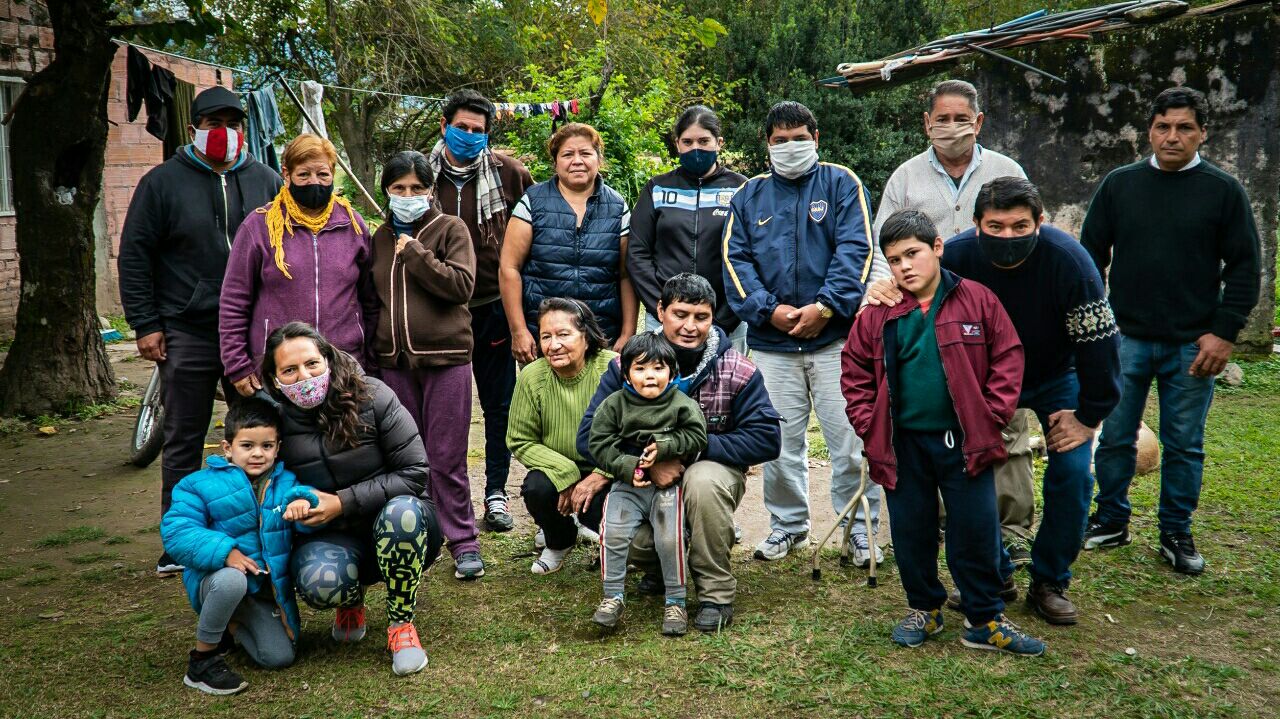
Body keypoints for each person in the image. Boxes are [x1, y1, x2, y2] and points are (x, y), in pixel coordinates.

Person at [866, 177, 1121, 625]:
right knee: (975, 472)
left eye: (1020, 226)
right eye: (996, 227)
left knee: (1074, 472)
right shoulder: (957, 256)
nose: (1007, 237)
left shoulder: (1070, 262)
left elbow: (1099, 343)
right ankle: (994, 571)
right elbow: (910, 295)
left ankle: (1049, 580)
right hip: (980, 379)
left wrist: (1089, 415)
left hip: (1053, 376)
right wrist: (881, 289)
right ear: (976, 225)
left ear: (1041, 222)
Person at [842, 210, 1044, 656]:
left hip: (964, 442)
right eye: (893, 260)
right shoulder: (878, 312)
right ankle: (924, 608)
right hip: (902, 444)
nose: (904, 267)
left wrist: (989, 416)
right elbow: (854, 371)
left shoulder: (977, 300)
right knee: (912, 528)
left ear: (936, 248)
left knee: (974, 529)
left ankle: (985, 619)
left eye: (912, 254)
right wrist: (866, 421)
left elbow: (1008, 358)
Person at [1082, 87, 1262, 575]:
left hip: (1193, 343)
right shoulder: (1120, 185)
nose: (1172, 136)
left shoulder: (1223, 191)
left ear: (1203, 132)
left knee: (1183, 442)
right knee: (1116, 435)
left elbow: (1245, 267)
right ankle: (1111, 519)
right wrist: (1096, 327)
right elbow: (1088, 257)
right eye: (1163, 126)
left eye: (1184, 127)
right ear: (1150, 131)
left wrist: (1223, 333)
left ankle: (1175, 531)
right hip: (1126, 339)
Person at [869, 80, 1036, 565]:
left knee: (1004, 426)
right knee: (936, 416)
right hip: (927, 318)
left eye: (961, 118)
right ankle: (945, 523)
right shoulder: (906, 177)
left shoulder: (1005, 170)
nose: (950, 127)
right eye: (941, 119)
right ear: (926, 123)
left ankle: (1012, 530)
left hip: (992, 313)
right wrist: (878, 294)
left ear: (979, 122)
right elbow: (887, 246)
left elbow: (1025, 235)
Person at [118, 86, 282, 576]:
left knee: (260, 431)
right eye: (213, 123)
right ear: (194, 129)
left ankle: (263, 531)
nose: (224, 133)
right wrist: (146, 324)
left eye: (233, 123)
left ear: (245, 130)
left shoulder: (266, 180)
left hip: (251, 333)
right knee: (184, 436)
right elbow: (135, 255)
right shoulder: (162, 183)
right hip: (187, 329)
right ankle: (180, 540)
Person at [722, 100, 880, 565]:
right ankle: (788, 527)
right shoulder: (749, 195)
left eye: (799, 138)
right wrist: (768, 312)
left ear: (817, 137)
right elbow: (736, 259)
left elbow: (857, 249)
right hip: (772, 344)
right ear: (766, 145)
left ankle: (858, 527)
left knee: (850, 440)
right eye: (780, 140)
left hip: (836, 341)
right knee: (778, 444)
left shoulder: (841, 183)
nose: (791, 147)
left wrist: (827, 307)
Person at [578, 273, 782, 632]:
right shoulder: (625, 367)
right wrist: (642, 464)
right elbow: (588, 437)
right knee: (619, 520)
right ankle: (659, 569)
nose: (690, 326)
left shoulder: (737, 369)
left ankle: (715, 595)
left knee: (701, 482)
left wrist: (688, 454)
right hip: (643, 481)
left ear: (713, 317)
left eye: (701, 317)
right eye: (680, 314)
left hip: (710, 474)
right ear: (660, 311)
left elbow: (767, 438)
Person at [264, 322, 443, 676]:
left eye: (312, 364)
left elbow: (415, 471)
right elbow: (260, 481)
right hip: (331, 535)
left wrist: (341, 501)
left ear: (327, 359)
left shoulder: (373, 395)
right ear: (274, 379)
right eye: (290, 370)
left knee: (402, 514)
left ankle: (401, 625)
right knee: (318, 582)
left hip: (401, 523)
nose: (304, 376)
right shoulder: (272, 421)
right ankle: (350, 602)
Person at [371, 150, 484, 581]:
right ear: (386, 191)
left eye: (417, 188)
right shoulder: (378, 237)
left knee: (446, 455)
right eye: (398, 189)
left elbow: (461, 286)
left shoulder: (449, 229)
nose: (407, 196)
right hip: (394, 364)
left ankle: (463, 541)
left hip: (446, 359)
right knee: (407, 459)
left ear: (430, 190)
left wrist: (416, 253)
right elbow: (370, 299)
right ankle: (419, 537)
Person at [160, 398, 319, 694]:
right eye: (247, 446)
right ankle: (202, 661)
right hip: (218, 579)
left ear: (278, 447)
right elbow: (176, 532)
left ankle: (231, 625)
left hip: (262, 591)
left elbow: (312, 508)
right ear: (228, 447)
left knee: (278, 657)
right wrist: (226, 552)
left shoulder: (287, 482)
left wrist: (305, 503)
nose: (258, 454)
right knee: (232, 581)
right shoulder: (197, 484)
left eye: (267, 446)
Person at [429, 90, 535, 533]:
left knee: (499, 405)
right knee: (442, 408)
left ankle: (495, 491)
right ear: (444, 125)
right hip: (437, 309)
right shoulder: (421, 174)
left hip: (493, 307)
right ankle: (437, 495)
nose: (469, 136)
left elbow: (534, 231)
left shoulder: (508, 174)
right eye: (462, 127)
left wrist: (523, 316)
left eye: (478, 130)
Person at [220, 133, 378, 395]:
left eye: (323, 174)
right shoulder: (260, 227)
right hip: (280, 370)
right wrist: (237, 364)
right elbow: (234, 302)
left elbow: (370, 299)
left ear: (333, 173)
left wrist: (370, 361)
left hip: (343, 366)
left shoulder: (352, 224)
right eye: (304, 175)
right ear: (286, 173)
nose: (314, 182)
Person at [589, 334, 708, 636]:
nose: (650, 376)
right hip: (627, 487)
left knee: (670, 538)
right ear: (626, 373)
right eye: (640, 369)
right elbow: (598, 444)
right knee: (612, 533)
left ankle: (676, 601)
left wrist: (666, 446)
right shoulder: (614, 405)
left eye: (658, 368)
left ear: (672, 372)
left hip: (667, 489)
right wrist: (627, 467)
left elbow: (697, 436)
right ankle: (612, 596)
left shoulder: (682, 404)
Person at [499, 123, 637, 361]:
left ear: (598, 159)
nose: (577, 161)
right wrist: (519, 330)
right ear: (556, 162)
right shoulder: (533, 202)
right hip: (545, 335)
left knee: (601, 398)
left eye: (585, 153)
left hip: (602, 335)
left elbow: (626, 274)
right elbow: (509, 269)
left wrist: (628, 333)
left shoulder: (617, 206)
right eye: (567, 154)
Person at [506, 298, 618, 575]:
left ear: (587, 337)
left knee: (602, 509)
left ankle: (614, 542)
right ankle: (559, 541)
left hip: (605, 468)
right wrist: (565, 472)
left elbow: (630, 433)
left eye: (563, 335)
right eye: (546, 336)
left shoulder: (613, 368)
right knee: (537, 489)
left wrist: (601, 473)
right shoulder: (532, 377)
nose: (553, 345)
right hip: (557, 466)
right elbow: (520, 439)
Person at [627, 105, 748, 352]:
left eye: (704, 141)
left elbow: (753, 254)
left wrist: (725, 315)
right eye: (688, 141)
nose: (696, 148)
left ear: (719, 142)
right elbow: (638, 253)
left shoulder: (741, 189)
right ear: (677, 144)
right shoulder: (657, 188)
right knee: (663, 385)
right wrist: (664, 307)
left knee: (726, 388)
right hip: (664, 318)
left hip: (728, 318)